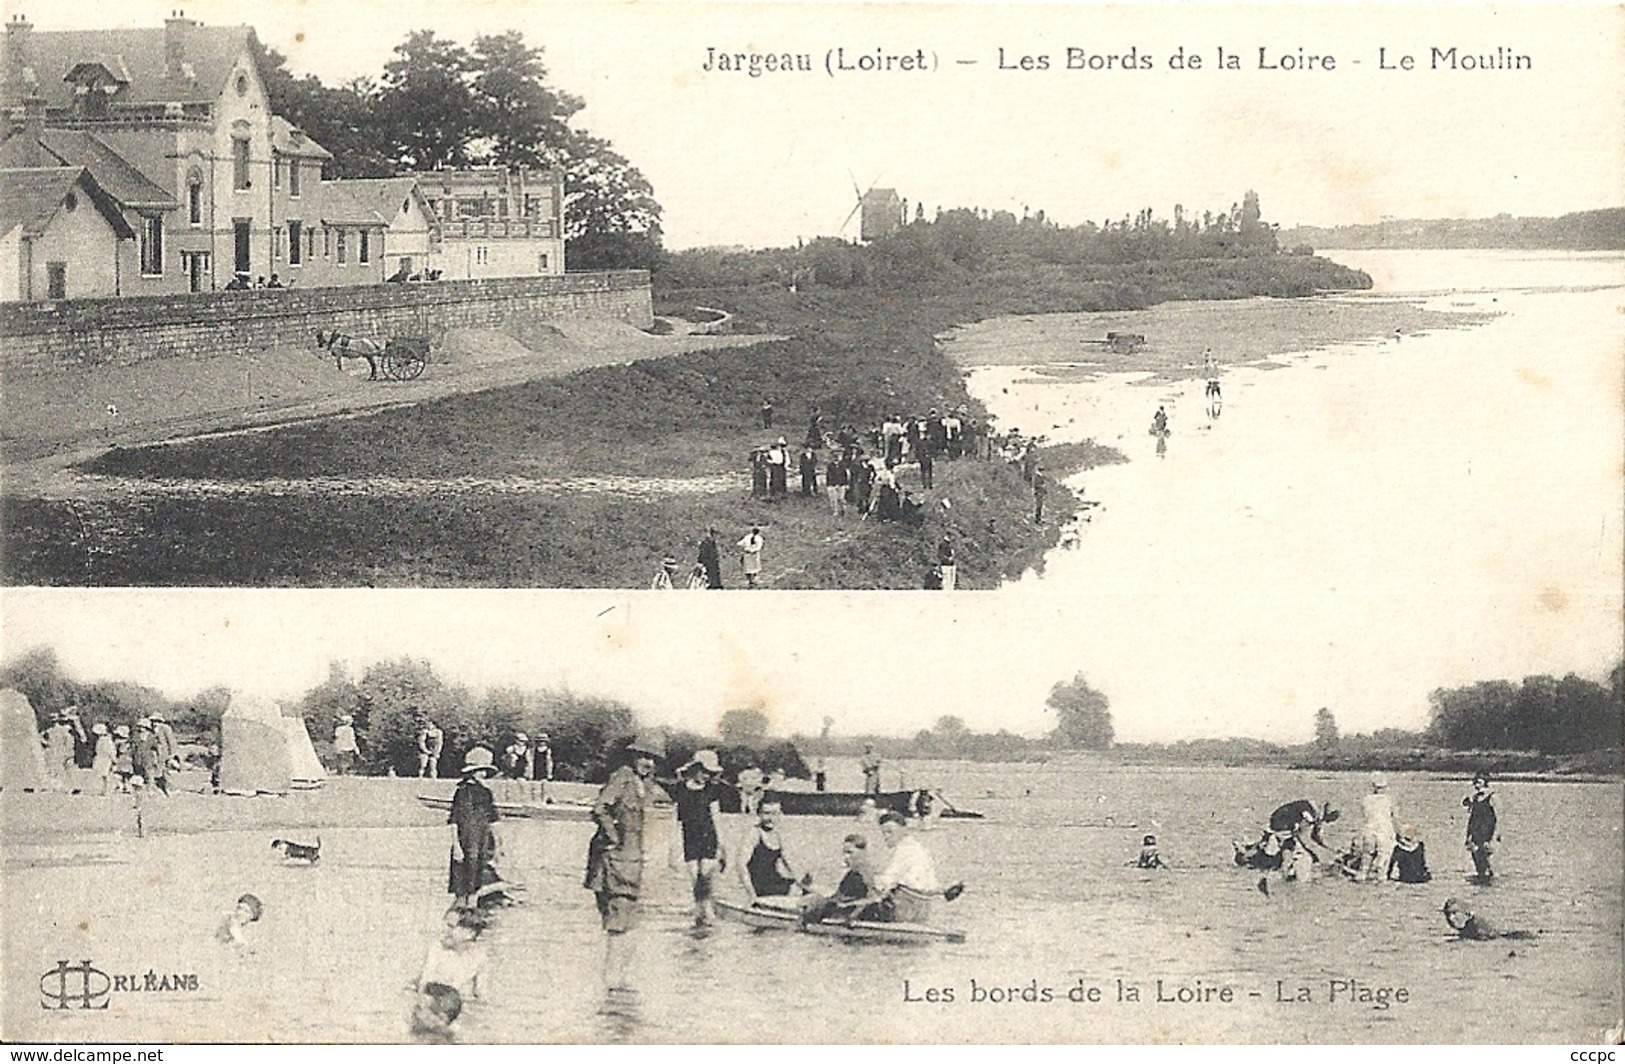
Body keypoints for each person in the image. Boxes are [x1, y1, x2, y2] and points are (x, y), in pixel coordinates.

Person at [585, 733, 664, 990]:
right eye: (643, 756)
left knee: (628, 923)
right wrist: (614, 836)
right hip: (615, 860)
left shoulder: (646, 784)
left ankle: (617, 984)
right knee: (618, 924)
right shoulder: (622, 777)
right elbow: (600, 808)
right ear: (633, 756)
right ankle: (612, 984)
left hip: (632, 861)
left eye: (652, 759)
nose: (648, 763)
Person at [413, 907, 488, 1038]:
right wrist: (420, 1006)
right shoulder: (438, 949)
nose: (445, 930)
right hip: (430, 995)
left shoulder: (480, 957)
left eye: (451, 927)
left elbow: (480, 994)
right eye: (445, 925)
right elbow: (424, 980)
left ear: (469, 933)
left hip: (451, 1003)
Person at [673, 749, 727, 926]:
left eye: (710, 773)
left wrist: (722, 845)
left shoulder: (712, 790)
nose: (706, 776)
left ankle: (708, 911)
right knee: (694, 878)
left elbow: (716, 817)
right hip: (689, 838)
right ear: (694, 769)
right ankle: (699, 912)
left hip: (708, 837)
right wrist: (672, 849)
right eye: (704, 772)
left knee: (705, 876)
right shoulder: (680, 789)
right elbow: (676, 820)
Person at [447, 746, 501, 908]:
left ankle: (473, 907)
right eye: (480, 771)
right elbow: (454, 820)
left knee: (477, 880)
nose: (483, 774)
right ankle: (460, 910)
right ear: (472, 771)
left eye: (485, 771)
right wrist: (456, 845)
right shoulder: (462, 792)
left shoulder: (486, 793)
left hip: (482, 840)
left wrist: (498, 844)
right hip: (465, 841)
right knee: (461, 883)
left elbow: (493, 820)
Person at [867, 812, 942, 923]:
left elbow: (887, 881)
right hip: (923, 907)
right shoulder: (919, 848)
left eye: (890, 832)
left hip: (905, 906)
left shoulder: (904, 851)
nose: (886, 837)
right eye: (883, 833)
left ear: (904, 829)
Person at [801, 834, 876, 925]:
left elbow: (870, 898)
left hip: (847, 913)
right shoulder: (855, 872)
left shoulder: (862, 873)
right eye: (844, 853)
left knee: (812, 902)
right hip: (843, 907)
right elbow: (839, 896)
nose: (846, 857)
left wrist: (852, 916)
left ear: (863, 852)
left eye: (849, 852)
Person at [740, 801, 807, 899]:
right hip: (759, 886)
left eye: (775, 814)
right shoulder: (754, 834)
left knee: (809, 891)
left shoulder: (777, 834)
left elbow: (789, 862)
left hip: (775, 881)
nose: (771, 819)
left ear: (780, 815)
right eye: (767, 813)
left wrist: (802, 882)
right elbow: (741, 866)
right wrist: (751, 895)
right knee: (796, 891)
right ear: (759, 814)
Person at [1358, 774, 1398, 882]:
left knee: (1366, 857)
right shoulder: (1389, 800)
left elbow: (1365, 815)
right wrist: (1400, 833)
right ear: (1385, 787)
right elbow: (1395, 818)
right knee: (1383, 860)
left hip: (1369, 830)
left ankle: (1362, 877)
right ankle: (1381, 879)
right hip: (1384, 831)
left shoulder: (1366, 799)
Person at [1442, 898, 1534, 941]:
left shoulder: (1474, 925)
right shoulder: (1470, 926)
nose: (1450, 919)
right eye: (1447, 915)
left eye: (1454, 914)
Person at [1463, 773, 1497, 881]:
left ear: (1485, 782)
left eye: (1479, 782)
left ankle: (1489, 874)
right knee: (1474, 851)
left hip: (1487, 829)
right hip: (1476, 829)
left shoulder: (1491, 796)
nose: (1477, 784)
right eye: (1476, 782)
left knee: (1485, 852)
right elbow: (1472, 816)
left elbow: (1497, 815)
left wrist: (1495, 834)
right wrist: (1468, 834)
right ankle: (1481, 874)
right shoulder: (1475, 797)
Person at [150, 712, 177, 794]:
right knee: (156, 771)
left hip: (165, 753)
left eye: (157, 721)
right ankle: (158, 787)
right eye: (153, 721)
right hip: (155, 754)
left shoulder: (166, 729)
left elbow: (171, 742)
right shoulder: (151, 729)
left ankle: (168, 788)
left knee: (165, 771)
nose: (155, 723)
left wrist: (172, 754)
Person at [90, 723, 115, 796]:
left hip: (105, 758)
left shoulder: (107, 740)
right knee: (102, 775)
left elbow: (110, 750)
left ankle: (106, 790)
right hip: (101, 758)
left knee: (105, 775)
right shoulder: (101, 740)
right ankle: (103, 790)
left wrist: (113, 758)